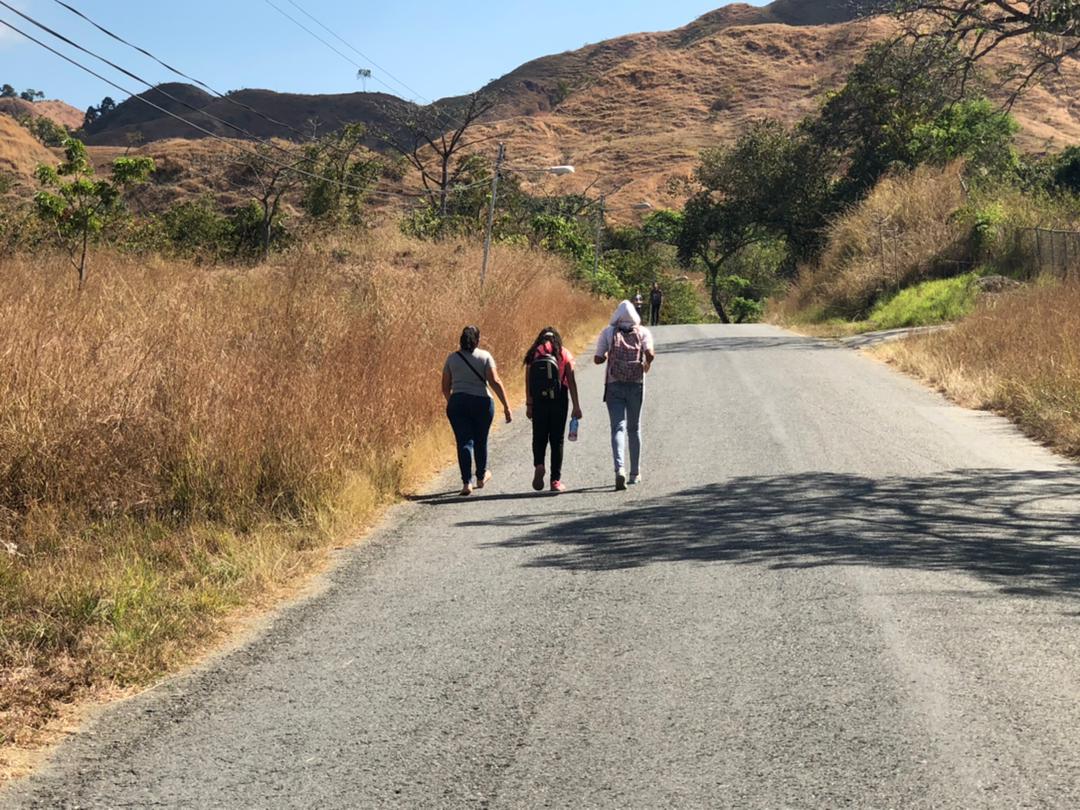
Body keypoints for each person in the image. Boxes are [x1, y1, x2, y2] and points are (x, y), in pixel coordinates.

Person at [442, 326, 512, 496]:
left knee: (463, 441)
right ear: (477, 340)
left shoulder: (452, 358)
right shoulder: (485, 356)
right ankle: (480, 476)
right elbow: (495, 381)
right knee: (481, 439)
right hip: (482, 402)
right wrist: (506, 406)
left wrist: (454, 402)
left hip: (458, 402)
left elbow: (445, 387)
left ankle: (466, 483)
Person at [594, 301, 656, 491]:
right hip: (636, 384)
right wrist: (646, 365)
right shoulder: (643, 332)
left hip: (614, 385)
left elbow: (597, 359)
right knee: (634, 428)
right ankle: (635, 473)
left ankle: (619, 468)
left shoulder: (608, 332)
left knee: (617, 428)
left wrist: (606, 357)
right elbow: (650, 354)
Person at [524, 326, 583, 494]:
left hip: (539, 401)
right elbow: (571, 380)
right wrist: (576, 406)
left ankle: (539, 465)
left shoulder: (534, 354)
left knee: (539, 436)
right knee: (557, 440)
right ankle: (555, 480)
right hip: (559, 399)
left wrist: (529, 404)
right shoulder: (563, 353)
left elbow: (528, 381)